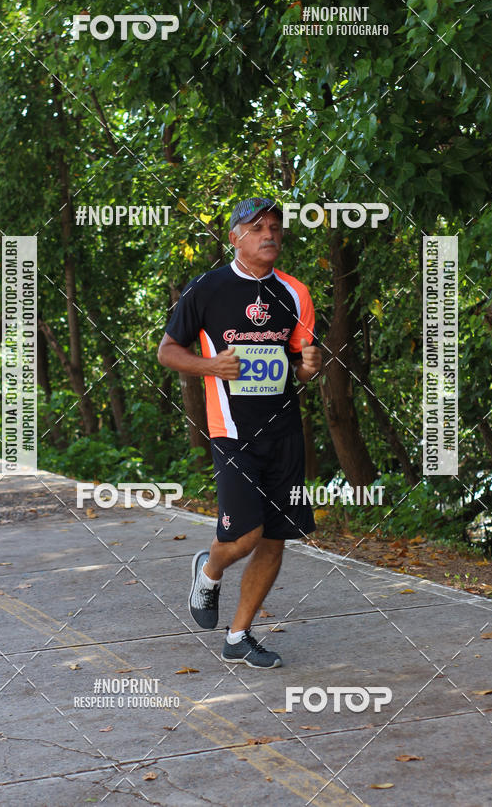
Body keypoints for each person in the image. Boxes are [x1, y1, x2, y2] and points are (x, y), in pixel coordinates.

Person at [157, 196, 322, 668]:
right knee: (245, 537)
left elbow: (299, 363)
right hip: (231, 430)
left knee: (275, 539)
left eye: (274, 227)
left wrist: (308, 365)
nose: (268, 234)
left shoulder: (296, 293)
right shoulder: (207, 289)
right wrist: (211, 364)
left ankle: (238, 636)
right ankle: (208, 570)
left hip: (285, 431)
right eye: (256, 228)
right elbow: (168, 351)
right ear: (234, 237)